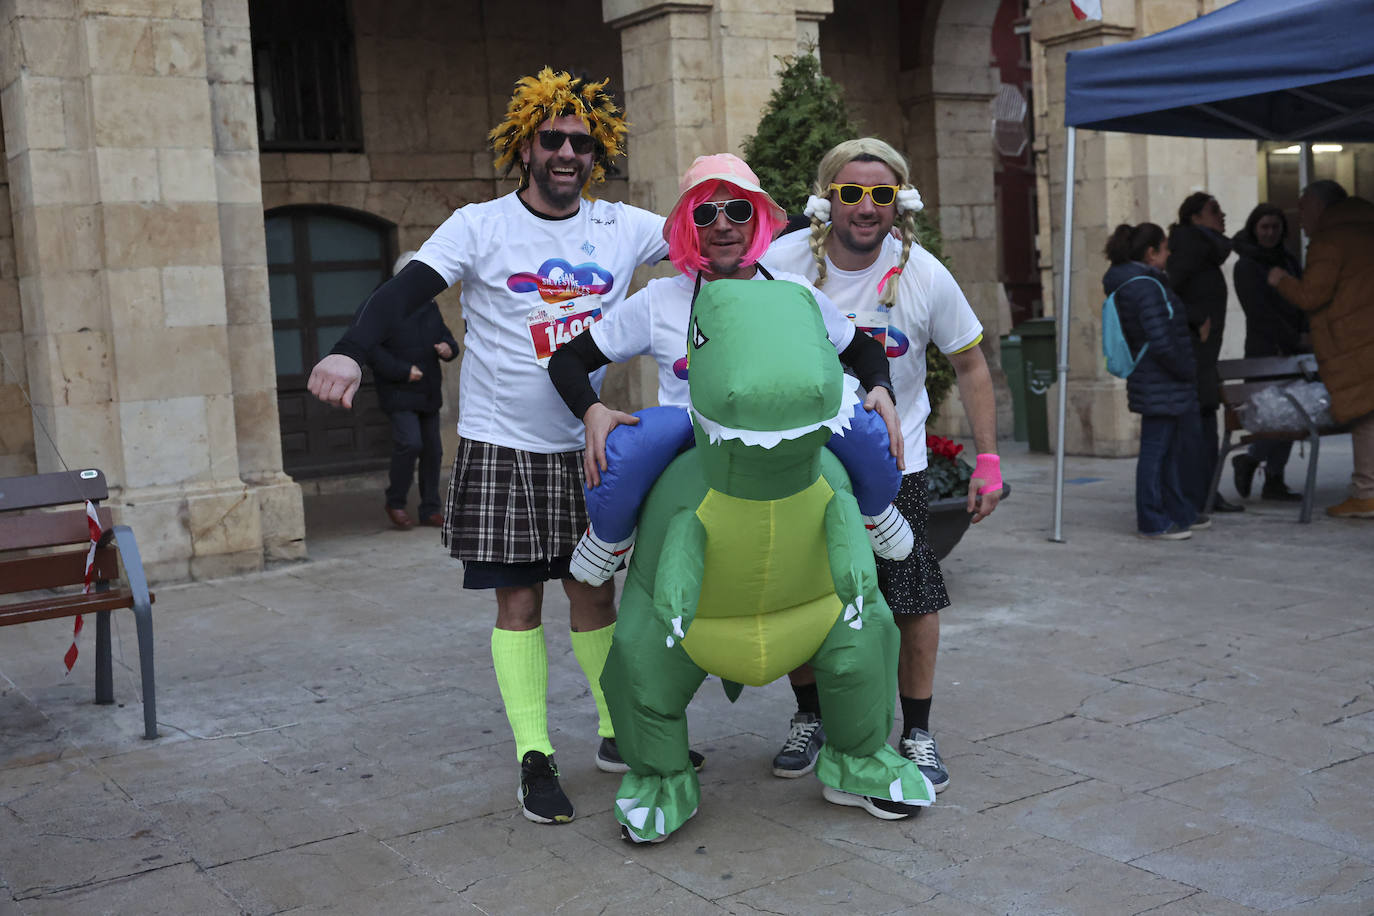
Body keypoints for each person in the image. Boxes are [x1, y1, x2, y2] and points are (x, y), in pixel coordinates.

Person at [307, 68, 679, 825]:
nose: (567, 152)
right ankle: (535, 757)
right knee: (519, 601)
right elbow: (403, 292)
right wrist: (350, 350)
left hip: (590, 442)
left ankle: (618, 733)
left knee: (595, 593)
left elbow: (712, 244)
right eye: (553, 139)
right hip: (503, 444)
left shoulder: (625, 228)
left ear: (596, 150)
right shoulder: (480, 226)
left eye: (582, 140)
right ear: (526, 147)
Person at [761, 138, 1002, 796]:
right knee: (803, 596)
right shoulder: (778, 266)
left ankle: (916, 731)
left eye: (881, 194)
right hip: (799, 468)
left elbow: (972, 364)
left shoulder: (923, 272)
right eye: (851, 193)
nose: (866, 207)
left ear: (900, 202)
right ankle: (811, 717)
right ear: (826, 200)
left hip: (898, 467)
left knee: (913, 599)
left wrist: (986, 458)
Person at [1268, 180, 1374, 519]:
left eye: (1303, 209)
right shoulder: (1367, 230)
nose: (1299, 219)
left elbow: (1311, 295)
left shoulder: (1330, 240)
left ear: (1319, 207)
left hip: (1353, 344)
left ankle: (1365, 492)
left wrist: (1280, 280)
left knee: (1364, 416)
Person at [1103, 223, 1205, 539]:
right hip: (1160, 379)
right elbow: (1160, 340)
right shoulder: (1144, 287)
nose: (1169, 253)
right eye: (1164, 248)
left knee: (1167, 451)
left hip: (1157, 380)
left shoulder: (1137, 283)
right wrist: (1185, 369)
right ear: (1151, 253)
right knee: (1156, 451)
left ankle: (1178, 511)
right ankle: (1152, 519)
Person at [370, 251, 460, 529]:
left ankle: (430, 508)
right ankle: (395, 501)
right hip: (399, 390)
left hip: (428, 389)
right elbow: (371, 349)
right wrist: (402, 371)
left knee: (433, 450)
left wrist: (448, 349)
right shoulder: (382, 303)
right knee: (411, 443)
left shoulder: (428, 303)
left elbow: (447, 339)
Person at [1166, 192, 1243, 513]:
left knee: (1206, 423)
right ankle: (1196, 496)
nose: (1222, 216)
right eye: (1214, 211)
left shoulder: (1205, 249)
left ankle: (1207, 493)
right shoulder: (1189, 246)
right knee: (1197, 427)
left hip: (1205, 356)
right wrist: (1196, 318)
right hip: (1192, 354)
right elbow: (1167, 292)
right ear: (1194, 217)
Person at [1230, 204, 1307, 502]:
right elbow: (1259, 312)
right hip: (1266, 350)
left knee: (1293, 414)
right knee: (1274, 415)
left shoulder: (1288, 260)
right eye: (1264, 227)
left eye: (1275, 227)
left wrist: (1303, 333)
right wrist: (1291, 338)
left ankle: (1274, 477)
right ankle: (1251, 459)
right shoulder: (1247, 265)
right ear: (1254, 229)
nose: (1270, 233)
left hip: (1293, 349)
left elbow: (1301, 297)